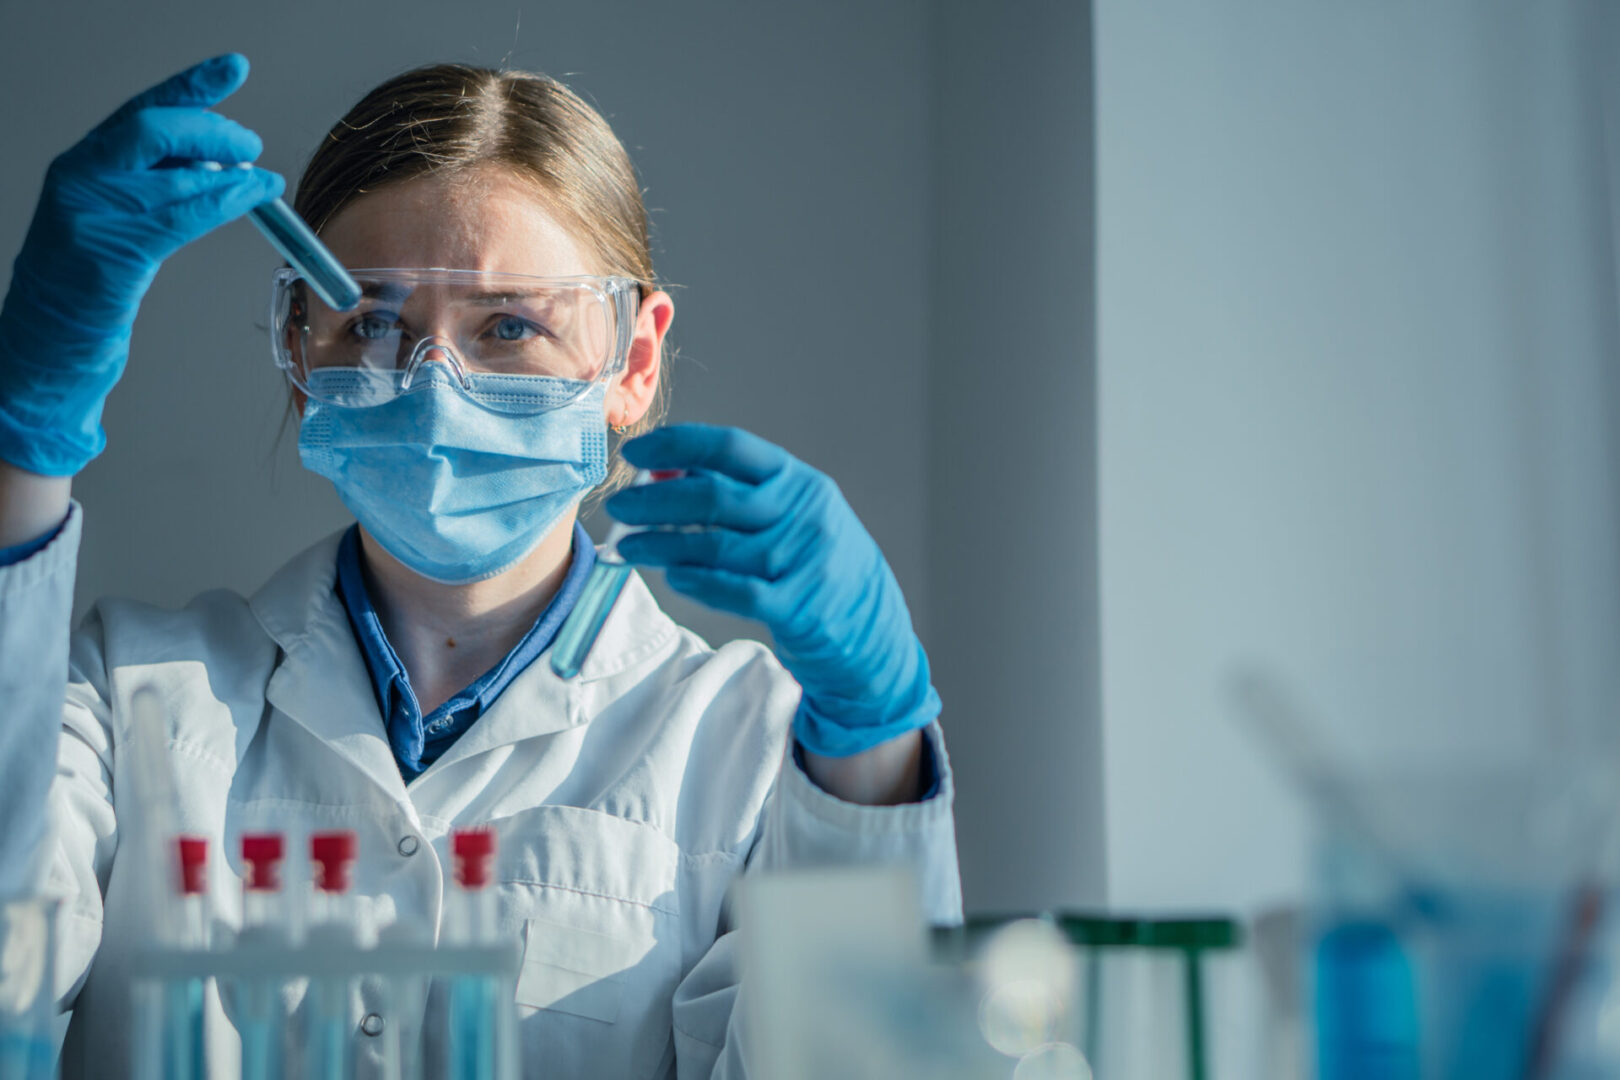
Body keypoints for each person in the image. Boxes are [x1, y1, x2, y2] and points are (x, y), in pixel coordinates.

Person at [0, 54, 959, 1078]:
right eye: (372, 322)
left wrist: (874, 746)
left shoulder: (739, 743)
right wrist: (21, 446)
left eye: (510, 325)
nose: (434, 384)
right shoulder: (130, 692)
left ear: (632, 360)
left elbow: (864, 1062)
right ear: (300, 354)